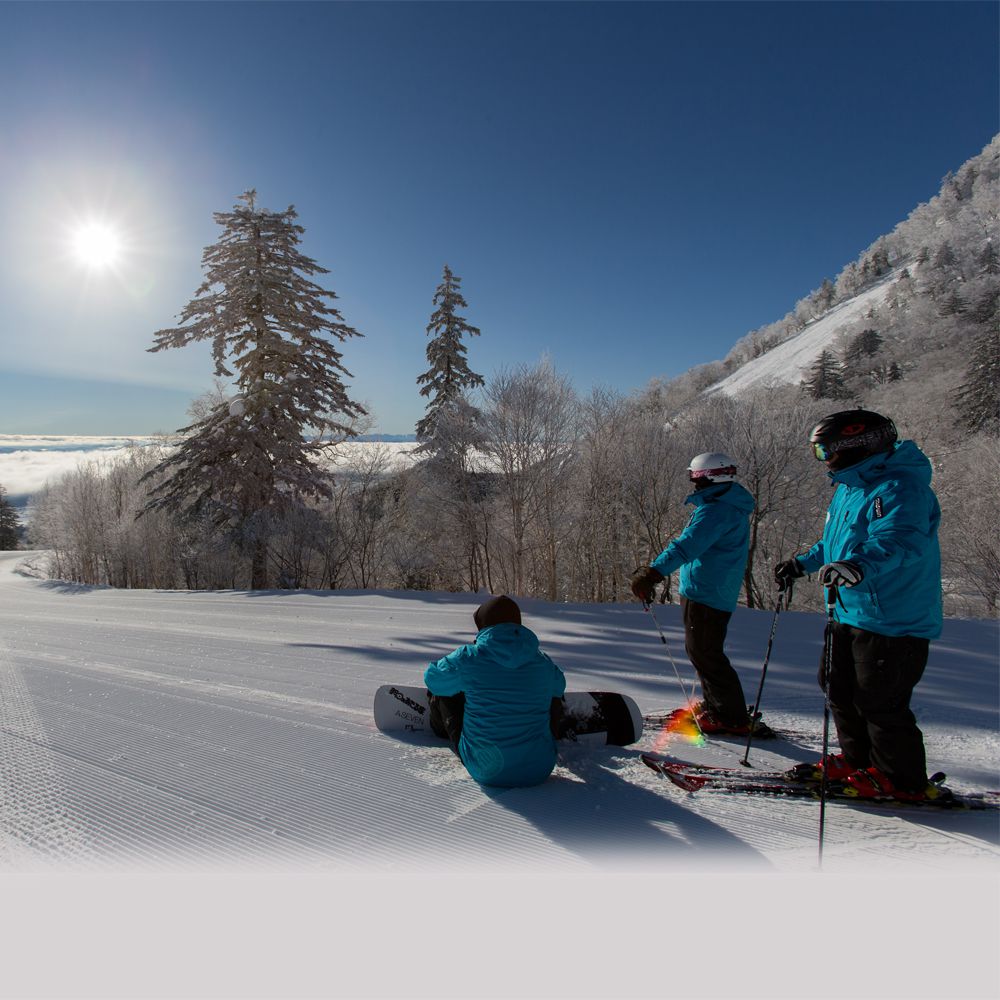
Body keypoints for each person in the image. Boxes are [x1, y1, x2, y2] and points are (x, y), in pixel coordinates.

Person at [774, 409, 943, 802]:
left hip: (892, 617)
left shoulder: (901, 488)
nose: (823, 460)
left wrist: (858, 566)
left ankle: (901, 779)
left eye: (823, 451)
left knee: (879, 701)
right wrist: (803, 563)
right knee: (837, 687)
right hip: (849, 609)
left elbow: (901, 540)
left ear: (855, 446)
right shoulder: (851, 487)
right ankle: (859, 761)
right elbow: (837, 545)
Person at [630, 452, 767, 736]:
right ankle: (717, 705)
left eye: (694, 476)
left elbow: (686, 547)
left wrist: (653, 573)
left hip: (707, 592)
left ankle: (729, 716)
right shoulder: (725, 504)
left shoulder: (716, 510)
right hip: (713, 590)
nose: (693, 482)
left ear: (707, 477)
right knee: (702, 651)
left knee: (705, 653)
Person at [424, 594, 567, 788]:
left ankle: (441, 728)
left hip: (487, 769)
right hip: (539, 769)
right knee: (552, 693)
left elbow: (432, 679)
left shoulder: (469, 658)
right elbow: (560, 687)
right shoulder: (542, 661)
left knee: (445, 690)